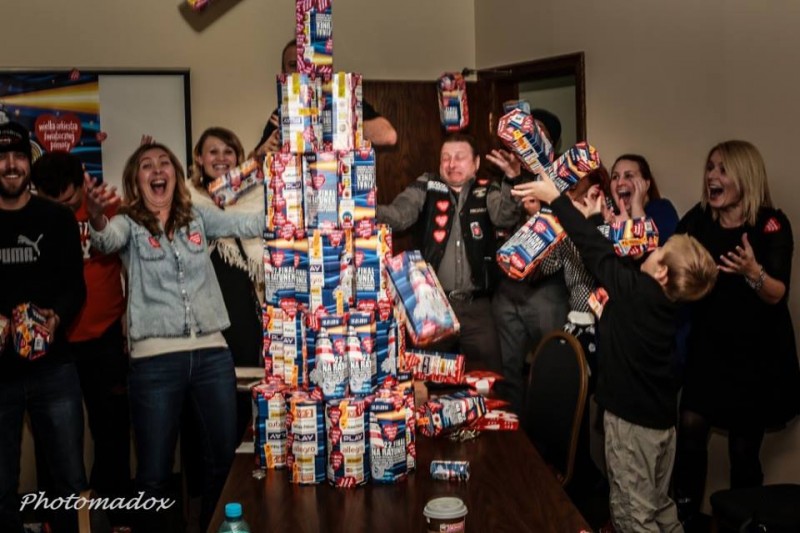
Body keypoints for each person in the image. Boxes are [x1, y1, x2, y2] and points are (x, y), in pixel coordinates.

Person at [513, 168, 718, 532]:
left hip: (632, 427)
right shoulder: (660, 300)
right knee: (661, 508)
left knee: (631, 516)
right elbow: (617, 264)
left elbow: (596, 254)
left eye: (660, 252)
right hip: (661, 425)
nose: (653, 250)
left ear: (662, 275)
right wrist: (595, 219)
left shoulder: (637, 293)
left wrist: (556, 199)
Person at [86, 142, 265, 532]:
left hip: (212, 355)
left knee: (223, 460)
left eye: (164, 162)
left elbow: (246, 225)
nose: (157, 169)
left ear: (175, 177)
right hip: (154, 362)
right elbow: (105, 239)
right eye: (147, 165)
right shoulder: (128, 222)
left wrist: (293, 200)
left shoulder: (196, 216)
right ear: (137, 180)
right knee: (153, 472)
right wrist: (97, 216)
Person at [673, 140, 800, 529]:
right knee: (690, 431)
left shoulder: (770, 224)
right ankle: (687, 517)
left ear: (745, 176)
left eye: (723, 169)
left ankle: (744, 525)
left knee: (744, 451)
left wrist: (752, 271)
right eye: (710, 167)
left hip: (755, 356)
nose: (712, 176)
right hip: (709, 350)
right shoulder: (698, 219)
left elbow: (777, 292)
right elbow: (671, 257)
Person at [0, 122, 88, 532]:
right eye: (1, 158)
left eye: (18, 156)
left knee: (70, 480)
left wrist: (56, 317)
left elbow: (76, 288)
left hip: (53, 367)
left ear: (29, 164)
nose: (10, 165)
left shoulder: (56, 218)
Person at [30, 152, 131, 503]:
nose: (62, 209)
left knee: (112, 430)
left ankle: (112, 512)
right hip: (54, 341)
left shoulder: (107, 207)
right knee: (53, 435)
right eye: (50, 201)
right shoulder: (29, 216)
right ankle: (55, 513)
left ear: (82, 184)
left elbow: (135, 261)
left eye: (69, 201)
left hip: (104, 337)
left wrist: (128, 314)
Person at [377, 132, 519, 372]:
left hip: (477, 309)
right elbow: (399, 216)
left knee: (491, 379)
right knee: (430, 378)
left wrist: (512, 178)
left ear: (475, 163)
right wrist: (362, 205)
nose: (451, 164)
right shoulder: (426, 184)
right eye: (446, 158)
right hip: (432, 307)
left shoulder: (488, 188)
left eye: (459, 157)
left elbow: (504, 216)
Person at [486, 108, 570, 415]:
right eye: (523, 135)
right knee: (506, 376)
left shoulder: (564, 176)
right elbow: (499, 216)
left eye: (537, 135)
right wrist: (513, 178)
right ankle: (512, 445)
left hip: (548, 292)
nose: (528, 141)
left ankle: (550, 453)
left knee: (552, 373)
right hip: (508, 291)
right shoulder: (502, 175)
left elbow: (572, 226)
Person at [254, 39, 397, 155]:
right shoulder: (280, 114)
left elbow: (389, 136)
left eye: (306, 64)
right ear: (284, 73)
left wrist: (326, 127)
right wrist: (260, 153)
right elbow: (249, 164)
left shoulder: (343, 103)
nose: (300, 71)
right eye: (293, 65)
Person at [608, 154, 679, 241]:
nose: (620, 183)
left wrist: (636, 205)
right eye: (615, 177)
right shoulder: (609, 217)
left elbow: (647, 248)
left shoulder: (663, 209)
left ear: (646, 184)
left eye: (629, 176)